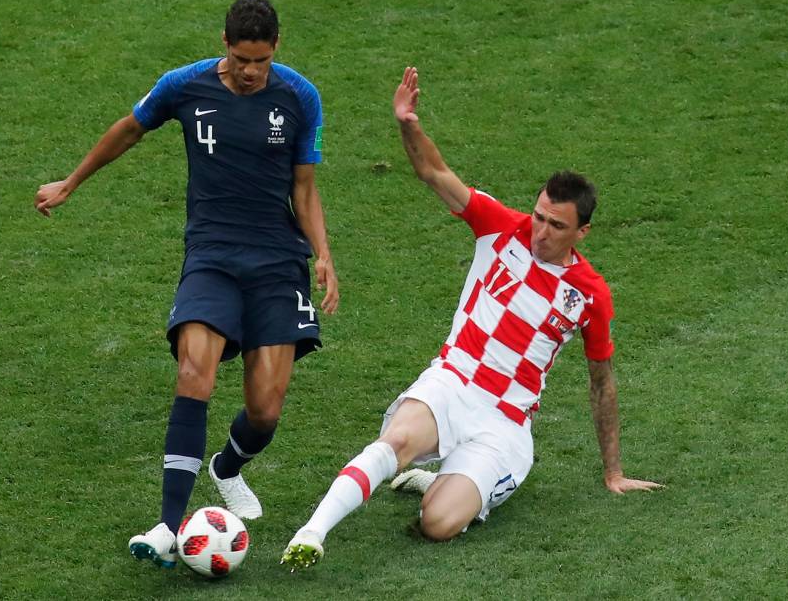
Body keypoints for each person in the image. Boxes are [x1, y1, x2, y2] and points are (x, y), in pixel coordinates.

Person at [281, 67, 660, 570]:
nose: (540, 231)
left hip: (505, 423)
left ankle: (443, 481)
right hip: (454, 382)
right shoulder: (501, 227)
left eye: (556, 225)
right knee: (393, 442)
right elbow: (434, 172)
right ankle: (312, 533)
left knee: (438, 524)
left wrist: (613, 472)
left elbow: (601, 382)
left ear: (582, 233)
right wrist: (407, 123)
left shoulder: (589, 295)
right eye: (540, 215)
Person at [34, 0, 338, 569]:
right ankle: (171, 527)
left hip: (277, 262)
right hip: (212, 256)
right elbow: (129, 128)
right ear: (225, 44)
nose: (252, 72)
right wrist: (70, 183)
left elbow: (305, 187)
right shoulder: (185, 86)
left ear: (276, 50)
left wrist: (323, 254)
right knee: (193, 371)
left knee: (266, 410)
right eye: (242, 59)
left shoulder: (299, 95)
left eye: (263, 61)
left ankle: (227, 467)